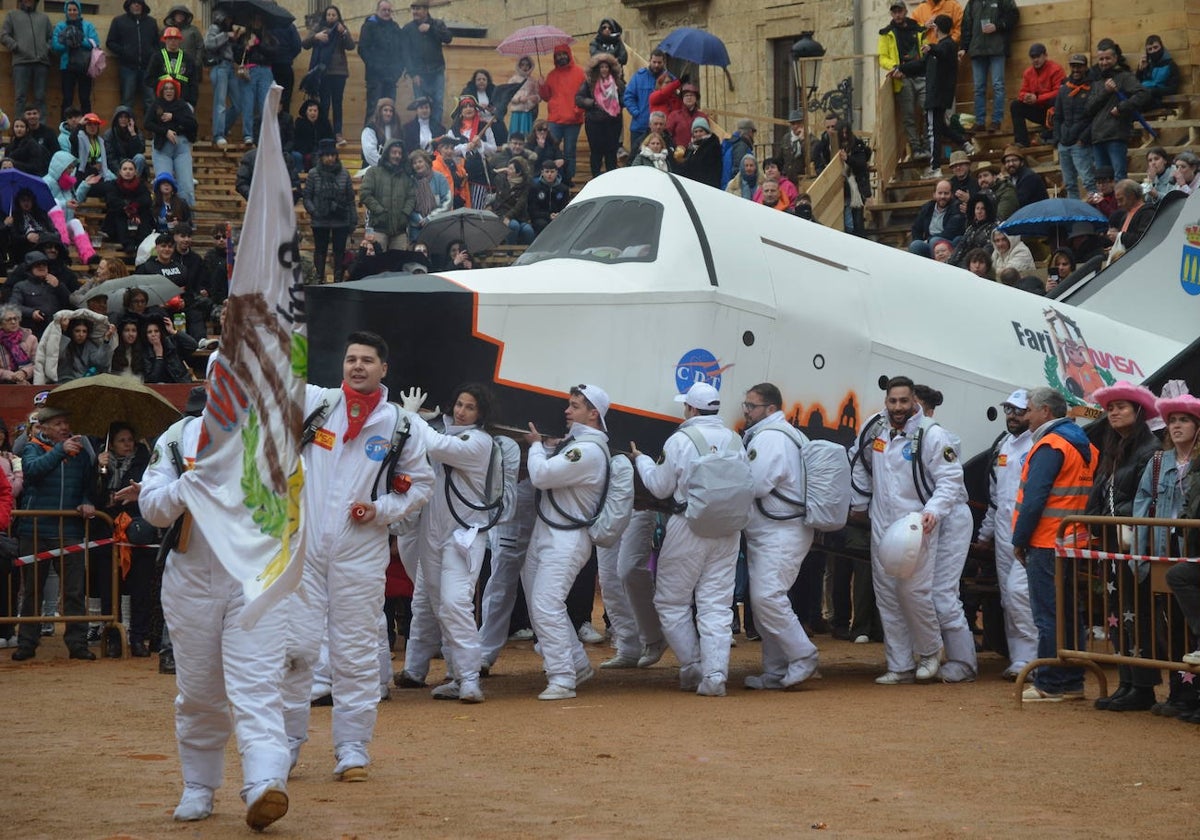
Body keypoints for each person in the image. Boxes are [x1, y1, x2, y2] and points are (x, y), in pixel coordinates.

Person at [135, 393, 291, 829]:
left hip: (256, 579)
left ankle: (265, 780)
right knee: (200, 690)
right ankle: (199, 786)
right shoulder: (179, 437)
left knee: (257, 686)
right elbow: (151, 509)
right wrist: (187, 486)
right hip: (192, 580)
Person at [282, 331, 433, 780]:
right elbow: (271, 380)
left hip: (360, 550)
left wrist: (382, 509)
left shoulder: (401, 426)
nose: (358, 366)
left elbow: (419, 484)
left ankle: (352, 748)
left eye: (367, 360)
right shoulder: (316, 403)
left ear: (383, 369)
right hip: (304, 548)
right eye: (351, 359)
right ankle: (285, 745)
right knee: (295, 648)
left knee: (355, 651)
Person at [848, 376, 968, 685]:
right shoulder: (874, 428)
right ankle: (899, 665)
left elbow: (950, 478)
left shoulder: (932, 434)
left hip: (916, 524)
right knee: (886, 594)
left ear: (914, 401)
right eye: (893, 401)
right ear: (886, 401)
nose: (898, 407)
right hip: (881, 521)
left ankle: (929, 651)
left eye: (904, 401)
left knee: (913, 591)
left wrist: (933, 511)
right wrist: (859, 501)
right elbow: (858, 461)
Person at [628, 382, 743, 696]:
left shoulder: (680, 439)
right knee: (717, 605)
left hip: (688, 525)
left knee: (671, 601)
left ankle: (693, 667)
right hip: (728, 529)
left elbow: (659, 487)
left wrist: (641, 460)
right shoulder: (736, 439)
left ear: (691, 409)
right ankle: (716, 676)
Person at [398, 383, 496, 703]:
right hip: (432, 532)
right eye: (458, 404)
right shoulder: (449, 433)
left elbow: (437, 445)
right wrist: (423, 419)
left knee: (455, 603)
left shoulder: (479, 442)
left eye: (469, 407)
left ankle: (469, 679)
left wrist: (410, 417)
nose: (461, 411)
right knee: (441, 607)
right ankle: (457, 675)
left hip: (464, 536)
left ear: (480, 414)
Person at [521, 384, 613, 701]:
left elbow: (543, 476)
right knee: (539, 605)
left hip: (567, 539)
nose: (567, 410)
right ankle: (576, 662)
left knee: (547, 605)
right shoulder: (574, 445)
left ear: (593, 413)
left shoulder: (586, 450)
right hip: (548, 533)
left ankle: (563, 678)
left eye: (575, 406)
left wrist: (535, 446)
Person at [1012, 386, 1098, 702]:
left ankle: (1050, 683)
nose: (1026, 415)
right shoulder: (1083, 443)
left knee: (1049, 615)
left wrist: (1020, 540)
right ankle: (1072, 681)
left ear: (1046, 412)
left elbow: (1035, 499)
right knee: (1069, 613)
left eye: (1030, 409)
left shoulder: (1050, 445)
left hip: (1047, 540)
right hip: (1073, 539)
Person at [738, 383, 823, 690]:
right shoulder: (779, 434)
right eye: (746, 405)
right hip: (770, 532)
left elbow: (756, 484)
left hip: (782, 532)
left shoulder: (772, 438)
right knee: (765, 602)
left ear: (770, 409)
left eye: (751, 406)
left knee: (767, 597)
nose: (745, 411)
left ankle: (804, 656)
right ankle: (774, 672)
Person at [1086, 381, 1161, 712]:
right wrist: (1093, 520)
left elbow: (1148, 500)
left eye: (1121, 407)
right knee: (1117, 611)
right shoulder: (1113, 449)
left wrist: (1117, 519)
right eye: (1110, 408)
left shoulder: (1151, 451)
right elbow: (1099, 493)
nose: (1113, 412)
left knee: (1137, 611)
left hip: (1136, 544)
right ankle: (1127, 681)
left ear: (1139, 411)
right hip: (1113, 544)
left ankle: (1142, 685)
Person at [11, 404, 97, 662]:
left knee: (74, 590)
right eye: (58, 424)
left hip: (69, 529)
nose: (64, 428)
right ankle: (27, 642)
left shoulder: (80, 453)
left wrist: (86, 500)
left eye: (66, 423)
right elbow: (32, 473)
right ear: (45, 427)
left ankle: (77, 643)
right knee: (32, 591)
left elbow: (89, 483)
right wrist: (60, 451)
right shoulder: (31, 448)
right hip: (34, 529)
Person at [975, 389, 1037, 680]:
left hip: (1030, 531)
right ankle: (1019, 659)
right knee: (1007, 597)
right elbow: (994, 497)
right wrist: (985, 534)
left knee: (1021, 593)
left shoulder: (1038, 443)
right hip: (1002, 531)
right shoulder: (1003, 445)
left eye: (1019, 411)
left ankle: (1036, 658)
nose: (1012, 416)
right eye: (1009, 410)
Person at [1153, 393, 1200, 720]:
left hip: (1191, 552)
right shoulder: (1163, 461)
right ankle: (1183, 694)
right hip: (1176, 548)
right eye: (1173, 420)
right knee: (1171, 622)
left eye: (1184, 419)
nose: (1177, 425)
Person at [1084, 39, 1149, 182]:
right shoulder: (1096, 82)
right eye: (1101, 59)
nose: (1104, 62)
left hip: (1116, 135)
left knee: (1120, 178)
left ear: (1115, 58)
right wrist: (1105, 92)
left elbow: (1143, 94)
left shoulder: (1124, 77)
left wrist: (1121, 108)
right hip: (1098, 137)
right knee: (1103, 181)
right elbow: (1088, 109)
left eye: (1107, 58)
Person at [921, 15, 973, 180]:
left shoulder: (947, 45)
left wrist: (930, 47)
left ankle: (935, 167)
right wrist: (901, 68)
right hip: (939, 95)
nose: (933, 30)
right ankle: (964, 143)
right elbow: (921, 65)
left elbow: (941, 51)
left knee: (932, 131)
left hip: (937, 96)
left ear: (937, 28)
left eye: (934, 27)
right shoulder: (943, 46)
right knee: (940, 127)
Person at [958, 0, 1019, 133]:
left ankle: (996, 121)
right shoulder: (972, 3)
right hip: (977, 50)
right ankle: (980, 122)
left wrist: (997, 26)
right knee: (978, 88)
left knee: (998, 85)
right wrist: (964, 47)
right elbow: (966, 26)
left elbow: (1013, 15)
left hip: (997, 49)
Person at [879, 2, 929, 161]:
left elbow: (925, 47)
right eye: (894, 12)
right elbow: (882, 57)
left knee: (929, 110)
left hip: (921, 75)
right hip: (903, 78)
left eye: (900, 11)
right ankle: (916, 147)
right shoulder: (886, 33)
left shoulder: (918, 29)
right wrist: (894, 67)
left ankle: (928, 144)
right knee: (908, 115)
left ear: (905, 11)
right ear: (891, 14)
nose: (897, 15)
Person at [304, 138, 357, 284]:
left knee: (339, 252)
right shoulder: (313, 174)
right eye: (326, 155)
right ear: (321, 156)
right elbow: (307, 197)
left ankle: (338, 280)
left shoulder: (344, 174)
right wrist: (314, 211)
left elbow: (350, 198)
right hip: (320, 220)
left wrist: (353, 220)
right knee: (320, 251)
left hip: (340, 219)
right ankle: (319, 279)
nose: (330, 158)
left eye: (332, 155)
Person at [302, 5, 355, 145]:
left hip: (339, 72)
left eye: (334, 15)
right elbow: (305, 44)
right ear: (325, 16)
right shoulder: (318, 28)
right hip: (323, 72)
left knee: (337, 104)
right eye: (329, 15)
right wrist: (316, 37)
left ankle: (338, 134)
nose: (331, 17)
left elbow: (351, 46)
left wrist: (344, 33)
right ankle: (324, 133)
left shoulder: (341, 28)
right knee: (324, 104)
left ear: (338, 16)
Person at [145, 79, 197, 207]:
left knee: (186, 186)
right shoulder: (156, 105)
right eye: (166, 88)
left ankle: (187, 219)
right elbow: (147, 123)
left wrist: (174, 117)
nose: (169, 91)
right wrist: (165, 131)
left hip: (181, 148)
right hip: (162, 149)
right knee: (164, 184)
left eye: (171, 88)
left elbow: (193, 124)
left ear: (176, 91)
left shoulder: (182, 105)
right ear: (162, 91)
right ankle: (162, 217)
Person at [539, 45, 586, 184]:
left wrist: (578, 110)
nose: (561, 57)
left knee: (569, 152)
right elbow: (546, 97)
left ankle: (568, 178)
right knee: (550, 150)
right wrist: (542, 86)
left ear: (569, 54)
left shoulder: (580, 73)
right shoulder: (551, 75)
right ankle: (550, 177)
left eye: (563, 54)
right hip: (555, 120)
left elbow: (585, 95)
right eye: (558, 55)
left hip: (574, 120)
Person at [1053, 54, 1097, 201]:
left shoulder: (1092, 88)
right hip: (1064, 143)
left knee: (1088, 181)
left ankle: (1098, 208)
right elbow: (1057, 116)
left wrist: (1083, 139)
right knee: (1070, 184)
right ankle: (1074, 213)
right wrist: (1058, 138)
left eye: (1079, 66)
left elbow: (1094, 117)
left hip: (1081, 143)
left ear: (1085, 67)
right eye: (1073, 66)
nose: (1076, 69)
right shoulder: (1063, 90)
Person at [106, 0, 158, 122]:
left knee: (150, 100)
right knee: (127, 100)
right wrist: (124, 52)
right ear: (129, 6)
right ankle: (126, 131)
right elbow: (110, 42)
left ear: (143, 6)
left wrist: (152, 54)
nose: (136, 5)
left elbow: (158, 44)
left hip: (148, 68)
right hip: (127, 68)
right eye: (133, 3)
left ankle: (153, 132)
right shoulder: (119, 21)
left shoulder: (151, 22)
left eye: (139, 3)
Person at [360, 138, 415, 252]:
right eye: (394, 152)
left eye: (399, 153)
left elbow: (411, 197)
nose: (397, 156)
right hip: (378, 228)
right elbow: (365, 194)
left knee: (398, 265)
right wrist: (380, 210)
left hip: (400, 230)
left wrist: (405, 214)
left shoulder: (406, 176)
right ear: (387, 153)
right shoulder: (373, 172)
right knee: (377, 264)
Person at [576, 53, 625, 179]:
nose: (604, 69)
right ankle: (596, 177)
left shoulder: (618, 83)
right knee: (596, 153)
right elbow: (579, 99)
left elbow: (625, 98)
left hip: (613, 123)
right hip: (594, 123)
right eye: (601, 67)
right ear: (597, 69)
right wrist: (592, 103)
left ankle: (611, 178)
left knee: (611, 153)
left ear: (610, 68)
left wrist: (618, 102)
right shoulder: (589, 83)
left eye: (606, 67)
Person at [402, 0, 452, 122]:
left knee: (438, 103)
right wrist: (413, 74)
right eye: (413, 9)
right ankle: (422, 134)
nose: (414, 12)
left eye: (417, 9)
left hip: (437, 72)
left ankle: (436, 132)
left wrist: (431, 29)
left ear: (426, 10)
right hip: (419, 74)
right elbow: (405, 54)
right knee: (421, 104)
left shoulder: (437, 24)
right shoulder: (408, 28)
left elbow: (448, 38)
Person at [357, 1, 405, 128]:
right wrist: (375, 67)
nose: (387, 12)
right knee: (374, 110)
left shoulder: (395, 28)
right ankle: (368, 143)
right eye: (384, 10)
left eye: (389, 10)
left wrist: (398, 71)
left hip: (391, 78)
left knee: (390, 111)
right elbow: (362, 49)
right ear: (377, 10)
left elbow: (402, 51)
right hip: (375, 78)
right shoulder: (369, 26)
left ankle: (388, 144)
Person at [2, 0, 53, 118]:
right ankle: (19, 128)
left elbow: (51, 37)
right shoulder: (12, 15)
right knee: (20, 97)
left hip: (41, 63)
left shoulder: (44, 18)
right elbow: (4, 35)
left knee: (40, 98)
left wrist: (46, 48)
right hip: (21, 63)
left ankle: (41, 129)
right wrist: (15, 47)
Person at [447, 95, 498, 209]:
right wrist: (465, 147)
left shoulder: (484, 126)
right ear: (461, 111)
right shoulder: (454, 129)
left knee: (477, 208)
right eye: (465, 106)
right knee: (461, 207)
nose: (468, 109)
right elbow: (448, 150)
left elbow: (493, 149)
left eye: (471, 106)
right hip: (459, 175)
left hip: (479, 174)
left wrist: (481, 144)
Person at [51, 1, 100, 118]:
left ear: (79, 11)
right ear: (66, 11)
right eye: (69, 10)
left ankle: (88, 125)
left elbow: (95, 43)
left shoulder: (88, 26)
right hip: (67, 67)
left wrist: (79, 40)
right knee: (67, 98)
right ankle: (64, 126)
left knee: (85, 98)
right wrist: (68, 44)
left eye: (74, 10)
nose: (72, 12)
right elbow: (55, 46)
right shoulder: (60, 26)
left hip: (85, 66)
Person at [1009, 43, 1063, 147]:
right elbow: (1022, 91)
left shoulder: (1056, 69)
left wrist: (1038, 98)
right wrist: (1025, 97)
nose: (1035, 60)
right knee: (1015, 105)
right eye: (1033, 57)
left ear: (1045, 55)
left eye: (1038, 56)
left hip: (1053, 111)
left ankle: (1051, 135)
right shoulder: (1028, 73)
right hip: (1038, 110)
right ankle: (1021, 141)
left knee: (1056, 100)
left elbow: (1059, 92)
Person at [204, 9, 243, 149]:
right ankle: (218, 134)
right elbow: (208, 43)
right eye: (227, 18)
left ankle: (222, 128)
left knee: (238, 104)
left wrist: (237, 40)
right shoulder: (215, 28)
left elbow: (235, 53)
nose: (230, 21)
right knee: (220, 102)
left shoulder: (230, 30)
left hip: (231, 67)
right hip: (219, 66)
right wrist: (226, 35)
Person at [10, 251, 71, 337]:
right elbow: (13, 306)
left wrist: (59, 286)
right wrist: (31, 313)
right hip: (32, 332)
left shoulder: (56, 284)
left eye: (44, 264)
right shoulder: (21, 286)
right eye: (37, 264)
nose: (42, 267)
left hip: (56, 331)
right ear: (30, 268)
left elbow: (70, 302)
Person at [624, 49, 671, 154]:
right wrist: (637, 113)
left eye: (659, 62)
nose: (656, 65)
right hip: (640, 127)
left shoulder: (668, 79)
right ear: (650, 60)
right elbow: (628, 97)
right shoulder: (639, 77)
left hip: (661, 128)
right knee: (636, 157)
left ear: (664, 62)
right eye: (654, 62)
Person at [103, 159, 152, 253]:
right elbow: (111, 200)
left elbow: (146, 200)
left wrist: (133, 207)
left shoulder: (141, 185)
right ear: (120, 171)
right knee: (118, 213)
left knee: (145, 213)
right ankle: (127, 243)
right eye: (125, 169)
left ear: (135, 172)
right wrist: (127, 208)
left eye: (130, 169)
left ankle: (140, 241)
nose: (128, 171)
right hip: (117, 220)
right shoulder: (114, 184)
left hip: (138, 217)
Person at [909, 179, 965, 257]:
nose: (942, 196)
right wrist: (919, 240)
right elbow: (916, 228)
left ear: (951, 195)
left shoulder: (956, 208)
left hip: (949, 243)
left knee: (934, 241)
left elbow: (949, 233)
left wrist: (928, 240)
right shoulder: (927, 208)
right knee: (915, 245)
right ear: (934, 195)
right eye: (940, 193)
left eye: (946, 193)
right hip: (929, 243)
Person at [148, 25, 199, 109]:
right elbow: (149, 79)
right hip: (162, 102)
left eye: (176, 39)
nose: (173, 41)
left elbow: (193, 82)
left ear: (180, 41)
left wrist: (192, 103)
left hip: (183, 101)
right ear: (165, 40)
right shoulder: (157, 57)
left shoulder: (188, 58)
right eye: (170, 38)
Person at [407, 149, 450, 244]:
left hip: (438, 226)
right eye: (414, 163)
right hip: (417, 227)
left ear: (427, 162)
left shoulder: (439, 178)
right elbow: (407, 205)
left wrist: (430, 218)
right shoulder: (410, 182)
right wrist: (419, 219)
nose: (418, 165)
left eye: (420, 161)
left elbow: (447, 202)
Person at [491, 157, 535, 245]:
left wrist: (508, 216)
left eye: (511, 169)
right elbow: (489, 175)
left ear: (518, 172)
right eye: (508, 167)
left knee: (528, 230)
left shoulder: (525, 185)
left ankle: (527, 255)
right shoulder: (502, 181)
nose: (508, 170)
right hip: (502, 214)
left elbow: (520, 204)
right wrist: (501, 170)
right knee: (514, 225)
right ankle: (509, 252)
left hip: (518, 216)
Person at [949, 193, 997, 267]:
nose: (979, 211)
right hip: (964, 264)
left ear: (988, 210)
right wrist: (950, 264)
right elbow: (961, 247)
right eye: (977, 208)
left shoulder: (993, 228)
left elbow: (986, 252)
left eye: (983, 209)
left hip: (977, 265)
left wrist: (966, 265)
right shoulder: (971, 227)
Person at [1135, 35, 1181, 109]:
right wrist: (1140, 70)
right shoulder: (1147, 64)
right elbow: (1135, 84)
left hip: (1157, 99)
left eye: (1156, 47)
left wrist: (1154, 91)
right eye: (1150, 49)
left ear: (1161, 47)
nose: (1153, 51)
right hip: (1141, 96)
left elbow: (1173, 89)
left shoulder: (1171, 65)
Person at [676, 117, 722, 189]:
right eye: (696, 131)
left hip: (707, 185)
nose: (698, 134)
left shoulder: (712, 146)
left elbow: (704, 167)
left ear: (706, 131)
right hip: (693, 185)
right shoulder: (691, 147)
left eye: (701, 131)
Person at [528, 158, 570, 234]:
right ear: (542, 173)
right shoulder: (535, 188)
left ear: (556, 172)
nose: (549, 174)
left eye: (552, 172)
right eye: (547, 172)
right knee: (541, 224)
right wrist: (548, 216)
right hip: (541, 218)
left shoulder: (563, 189)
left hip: (559, 217)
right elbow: (533, 210)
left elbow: (565, 207)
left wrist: (559, 214)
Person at [1001, 144, 1049, 209]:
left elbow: (1020, 201)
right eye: (1007, 161)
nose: (1011, 164)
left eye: (1014, 160)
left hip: (1036, 215)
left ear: (1022, 162)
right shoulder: (1012, 178)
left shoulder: (1029, 177)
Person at [103, 106, 147, 177]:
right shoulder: (109, 134)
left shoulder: (136, 132)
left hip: (133, 166)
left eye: (126, 117)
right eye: (120, 117)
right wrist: (119, 172)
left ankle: (134, 181)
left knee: (140, 157)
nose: (123, 119)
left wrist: (133, 134)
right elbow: (110, 157)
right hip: (118, 166)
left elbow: (141, 150)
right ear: (116, 119)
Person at [293, 98, 334, 172]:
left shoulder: (325, 123)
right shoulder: (300, 123)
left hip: (321, 151)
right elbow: (297, 140)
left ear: (318, 112)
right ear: (306, 112)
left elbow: (330, 139)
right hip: (305, 151)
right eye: (310, 110)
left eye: (315, 111)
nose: (313, 113)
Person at [0, 304, 38, 384]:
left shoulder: (30, 339)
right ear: (1, 323)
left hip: (28, 381)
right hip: (3, 384)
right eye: (8, 320)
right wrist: (11, 376)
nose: (13, 322)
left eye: (15, 319)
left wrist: (24, 373)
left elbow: (38, 364)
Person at [506, 56, 540, 136]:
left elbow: (538, 95)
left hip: (528, 111)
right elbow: (508, 95)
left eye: (527, 65)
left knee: (526, 133)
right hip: (517, 111)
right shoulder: (513, 80)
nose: (525, 67)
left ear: (530, 66)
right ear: (519, 66)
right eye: (523, 65)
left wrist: (535, 98)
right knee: (515, 133)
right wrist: (519, 99)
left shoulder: (533, 80)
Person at [109, 314, 145, 379]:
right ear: (121, 333)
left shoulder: (142, 351)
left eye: (134, 330)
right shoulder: (114, 349)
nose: (131, 334)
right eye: (127, 330)